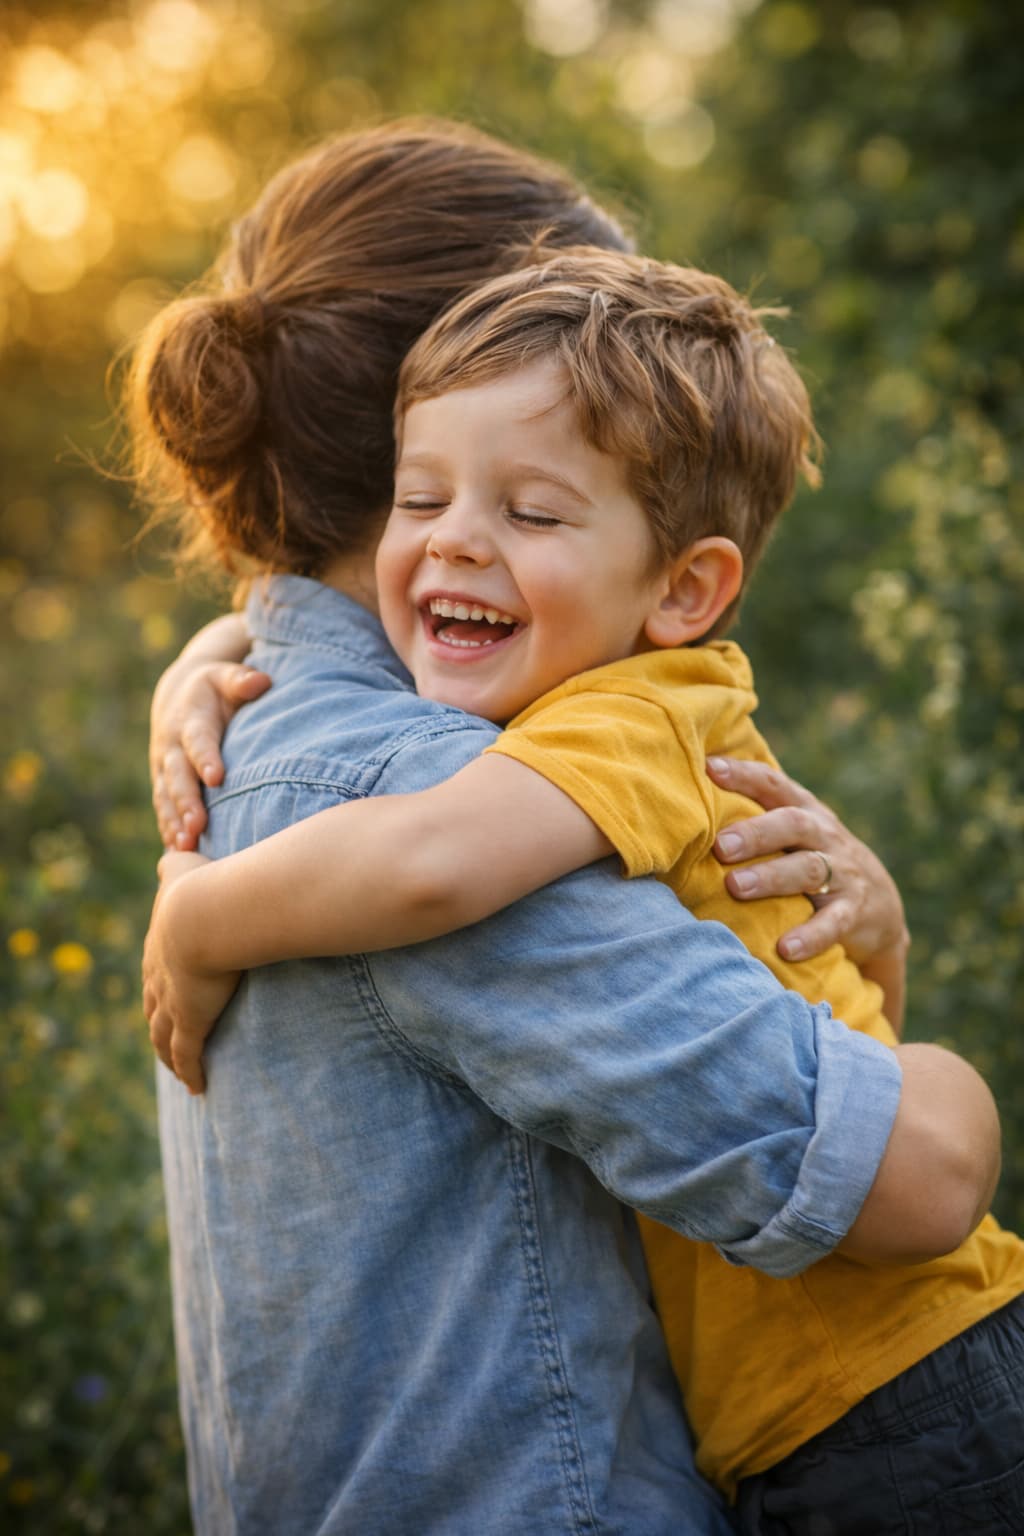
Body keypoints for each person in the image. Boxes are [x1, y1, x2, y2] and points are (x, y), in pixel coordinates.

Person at [132, 121, 999, 1535]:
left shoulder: (251, 735)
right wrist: (953, 1080)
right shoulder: (425, 800)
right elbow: (903, 1177)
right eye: (443, 498)